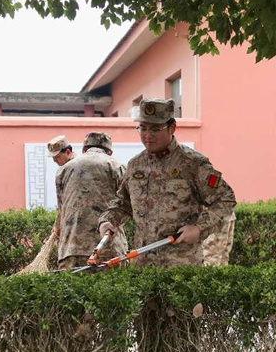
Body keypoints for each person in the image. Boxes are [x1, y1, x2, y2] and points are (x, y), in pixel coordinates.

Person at [98, 98, 237, 267]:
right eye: (143, 128)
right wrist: (107, 221)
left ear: (172, 128)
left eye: (156, 129)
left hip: (180, 266)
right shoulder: (136, 165)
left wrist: (199, 228)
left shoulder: (192, 164)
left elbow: (225, 199)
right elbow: (123, 203)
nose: (148, 135)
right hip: (143, 266)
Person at [56, 132, 127, 269]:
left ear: (84, 149)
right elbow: (129, 205)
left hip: (70, 249)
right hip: (107, 247)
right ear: (109, 152)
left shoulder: (63, 170)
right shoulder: (117, 167)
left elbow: (61, 209)